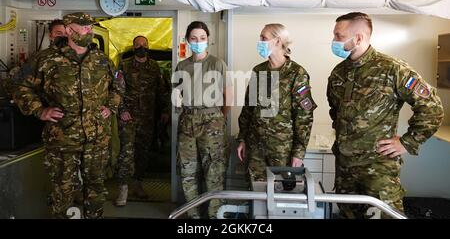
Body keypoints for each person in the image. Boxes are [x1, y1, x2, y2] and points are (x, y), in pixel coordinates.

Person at [327, 12, 444, 218]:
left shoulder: (392, 68)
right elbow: (336, 112)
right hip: (345, 169)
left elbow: (432, 107)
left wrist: (408, 142)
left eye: (338, 35)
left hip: (377, 167)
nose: (334, 40)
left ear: (359, 38)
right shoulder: (338, 73)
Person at [13, 12, 122, 218]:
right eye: (85, 27)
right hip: (63, 139)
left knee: (95, 190)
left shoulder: (101, 59)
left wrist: (111, 106)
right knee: (62, 192)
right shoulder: (46, 59)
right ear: (70, 30)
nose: (89, 31)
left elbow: (118, 87)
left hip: (96, 138)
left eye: (90, 27)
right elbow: (20, 86)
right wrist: (40, 110)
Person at [236, 23, 316, 183]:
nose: (260, 42)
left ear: (278, 41)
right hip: (255, 148)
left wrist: (298, 153)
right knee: (256, 195)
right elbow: (248, 109)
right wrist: (242, 138)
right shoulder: (258, 71)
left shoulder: (297, 74)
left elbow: (304, 117)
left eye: (263, 38)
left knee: (280, 196)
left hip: (282, 151)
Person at [173, 21, 231, 219]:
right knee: (187, 171)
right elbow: (176, 95)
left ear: (208, 40)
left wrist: (219, 118)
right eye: (194, 39)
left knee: (214, 171)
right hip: (187, 119)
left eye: (202, 38)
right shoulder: (182, 66)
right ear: (188, 41)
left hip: (212, 118)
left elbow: (228, 96)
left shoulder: (217, 64)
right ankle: (193, 216)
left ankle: (215, 215)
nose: (198, 42)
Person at [115, 35, 170, 206]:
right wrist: (122, 110)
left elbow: (162, 91)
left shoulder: (154, 67)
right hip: (128, 118)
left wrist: (166, 110)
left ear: (148, 46)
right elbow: (116, 91)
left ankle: (138, 184)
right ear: (133, 47)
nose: (141, 47)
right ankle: (123, 189)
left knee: (143, 153)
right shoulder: (124, 66)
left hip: (147, 118)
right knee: (126, 153)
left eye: (144, 44)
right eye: (137, 44)